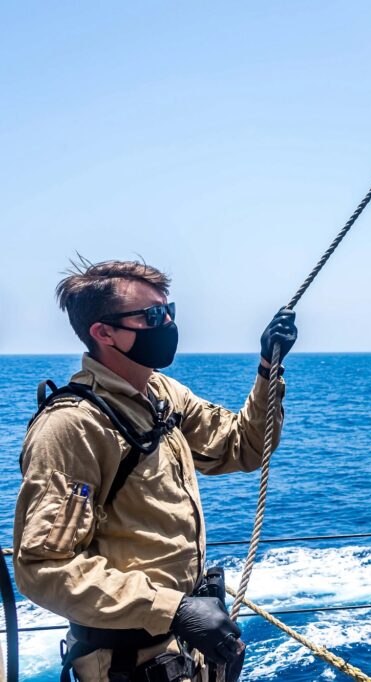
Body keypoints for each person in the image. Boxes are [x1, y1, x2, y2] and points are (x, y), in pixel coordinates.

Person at [12, 259, 297, 682]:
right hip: (129, 662)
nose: (166, 324)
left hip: (186, 649)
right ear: (103, 332)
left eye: (169, 312)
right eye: (151, 316)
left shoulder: (163, 393)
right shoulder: (73, 426)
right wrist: (174, 609)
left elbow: (244, 446)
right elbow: (44, 567)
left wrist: (267, 368)